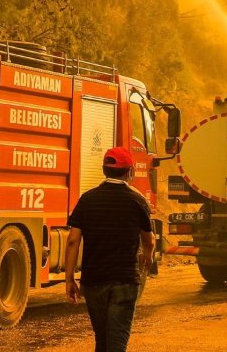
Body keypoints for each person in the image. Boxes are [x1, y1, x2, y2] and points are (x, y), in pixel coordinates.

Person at [66, 146, 155, 352]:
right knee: (116, 342)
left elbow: (73, 241)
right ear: (130, 172)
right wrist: (147, 256)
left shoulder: (87, 200)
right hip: (124, 281)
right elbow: (148, 239)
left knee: (102, 339)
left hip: (94, 281)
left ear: (104, 170)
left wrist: (70, 278)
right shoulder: (137, 201)